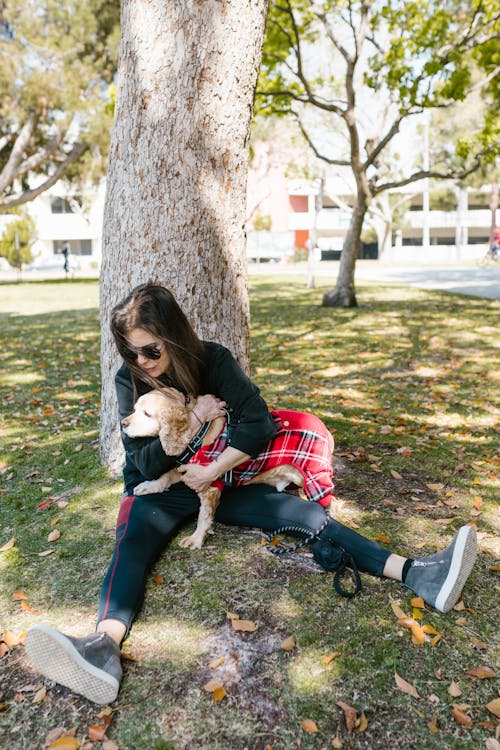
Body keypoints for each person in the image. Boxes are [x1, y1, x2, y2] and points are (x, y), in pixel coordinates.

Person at [25, 283, 477, 705]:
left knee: (304, 516)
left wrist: (213, 470)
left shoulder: (214, 362)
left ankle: (418, 574)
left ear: (174, 336)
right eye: (131, 351)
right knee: (131, 545)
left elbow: (257, 422)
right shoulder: (132, 381)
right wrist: (198, 426)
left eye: (151, 350)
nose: (141, 360)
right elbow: (142, 462)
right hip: (158, 489)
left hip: (226, 482)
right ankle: (102, 647)